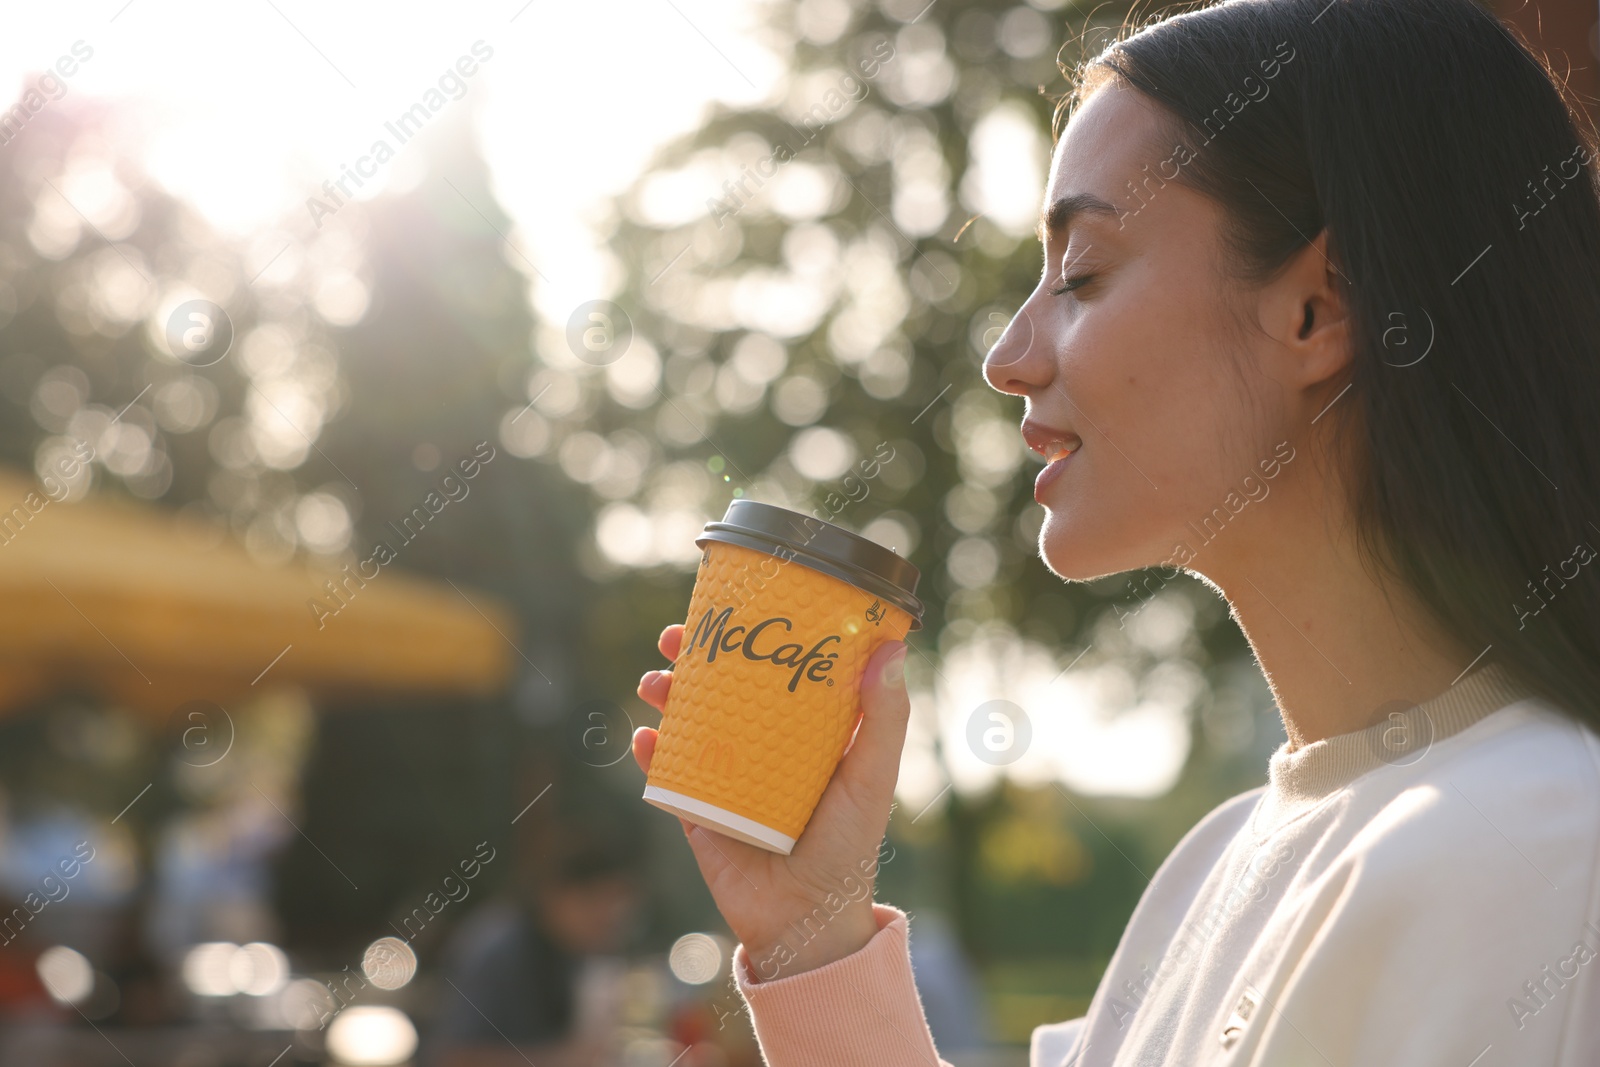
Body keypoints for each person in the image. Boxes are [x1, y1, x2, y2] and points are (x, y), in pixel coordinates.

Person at [631, 0, 1600, 1062]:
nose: (1008, 354)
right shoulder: (1217, 862)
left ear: (1318, 312)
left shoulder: (1542, 847)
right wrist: (813, 936)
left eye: (1081, 273)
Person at [426, 800, 645, 1067]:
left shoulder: (573, 954)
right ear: (557, 895)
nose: (608, 926)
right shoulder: (496, 948)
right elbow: (452, 1057)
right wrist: (567, 1059)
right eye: (599, 913)